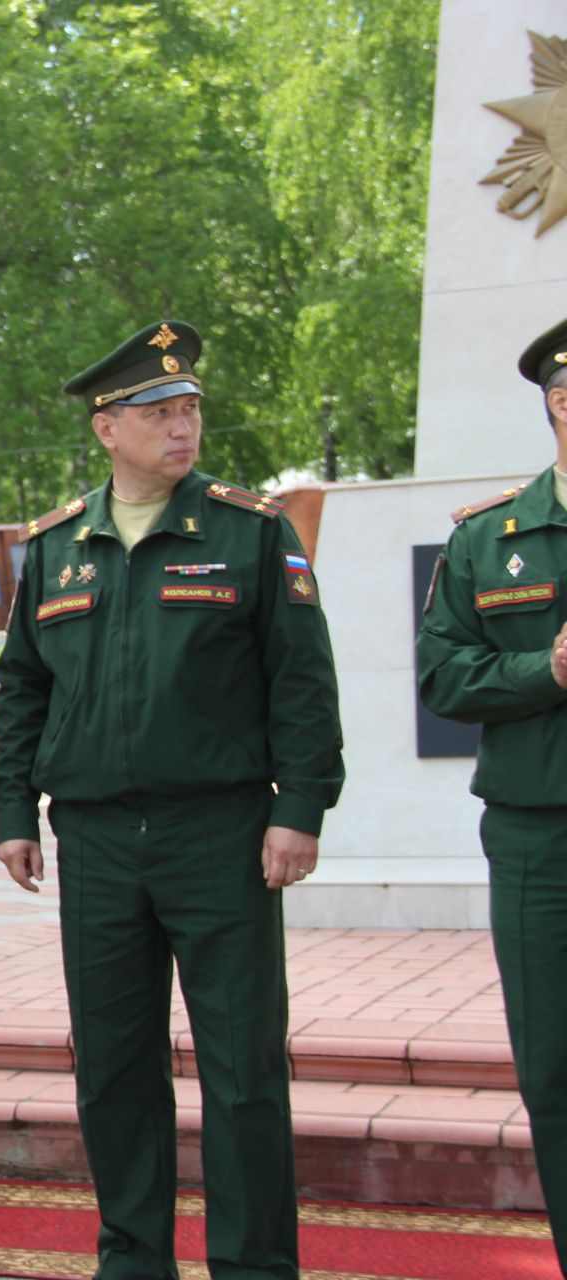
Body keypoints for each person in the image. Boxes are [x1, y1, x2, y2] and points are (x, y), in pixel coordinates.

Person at [0, 321, 343, 1280]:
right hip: (98, 841)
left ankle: (255, 1265)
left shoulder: (249, 530)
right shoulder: (57, 547)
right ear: (108, 428)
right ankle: (133, 1259)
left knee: (241, 1074)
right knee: (113, 1069)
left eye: (189, 409)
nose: (180, 426)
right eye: (157, 411)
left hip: (220, 833)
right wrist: (14, 812)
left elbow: (302, 681)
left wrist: (299, 806)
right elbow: (24, 686)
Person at [417, 314, 567, 1275]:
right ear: (557, 404)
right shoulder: (488, 539)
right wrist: (545, 671)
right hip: (536, 838)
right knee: (553, 1069)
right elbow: (441, 677)